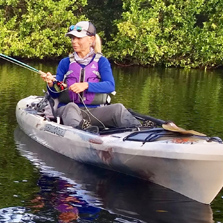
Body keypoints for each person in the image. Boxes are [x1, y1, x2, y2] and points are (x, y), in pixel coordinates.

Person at [40, 21, 141, 132]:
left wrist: (86, 85)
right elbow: (55, 93)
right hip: (67, 111)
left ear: (91, 39)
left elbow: (110, 86)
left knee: (118, 109)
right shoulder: (65, 62)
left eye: (78, 38)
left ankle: (141, 131)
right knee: (71, 107)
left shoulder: (102, 61)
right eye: (72, 38)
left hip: (94, 112)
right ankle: (78, 133)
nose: (74, 41)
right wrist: (50, 83)